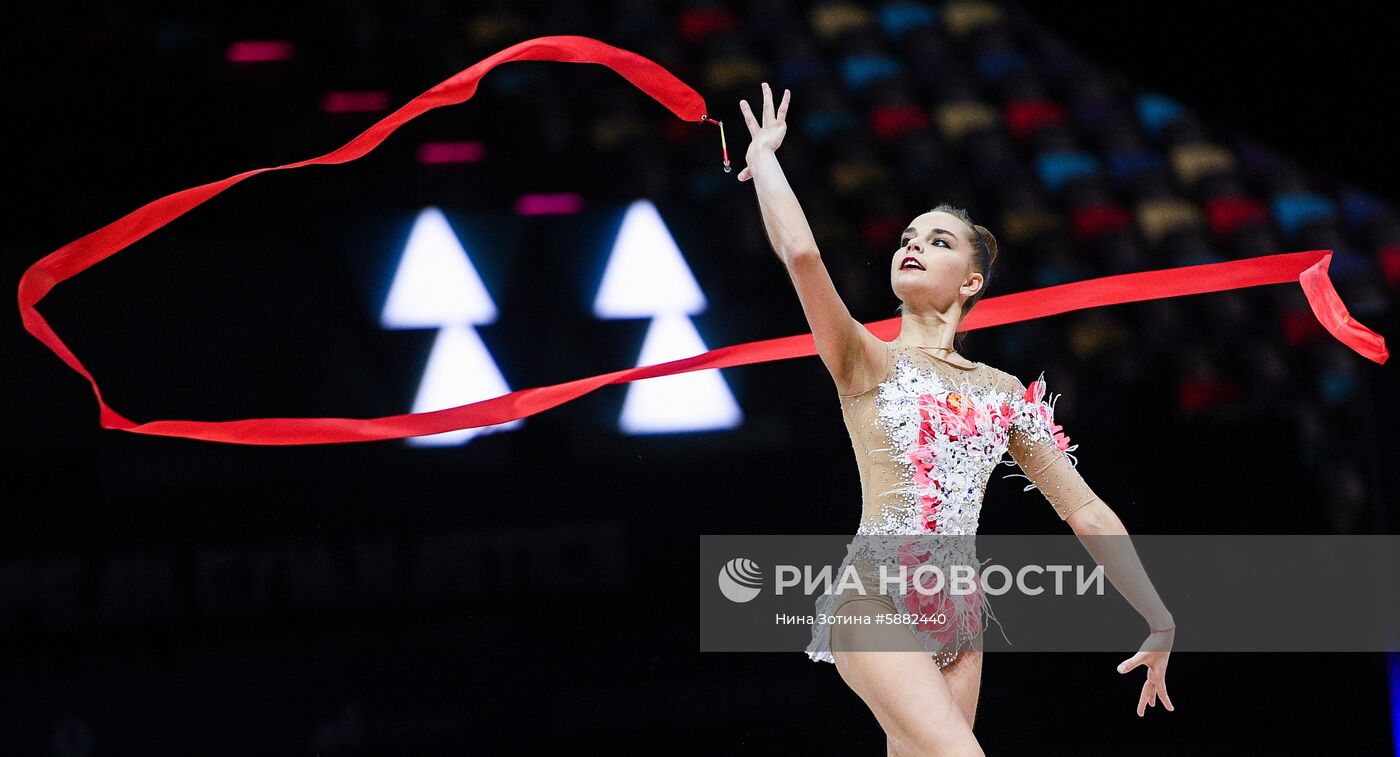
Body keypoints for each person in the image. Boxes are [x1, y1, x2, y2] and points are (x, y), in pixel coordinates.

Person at [736, 82, 1176, 755]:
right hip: (874, 597)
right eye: (907, 238)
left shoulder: (1004, 393)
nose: (911, 245)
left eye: (937, 241)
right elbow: (802, 256)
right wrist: (766, 160)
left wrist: (1158, 615)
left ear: (971, 281)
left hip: (960, 622)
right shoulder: (865, 360)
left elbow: (1085, 510)